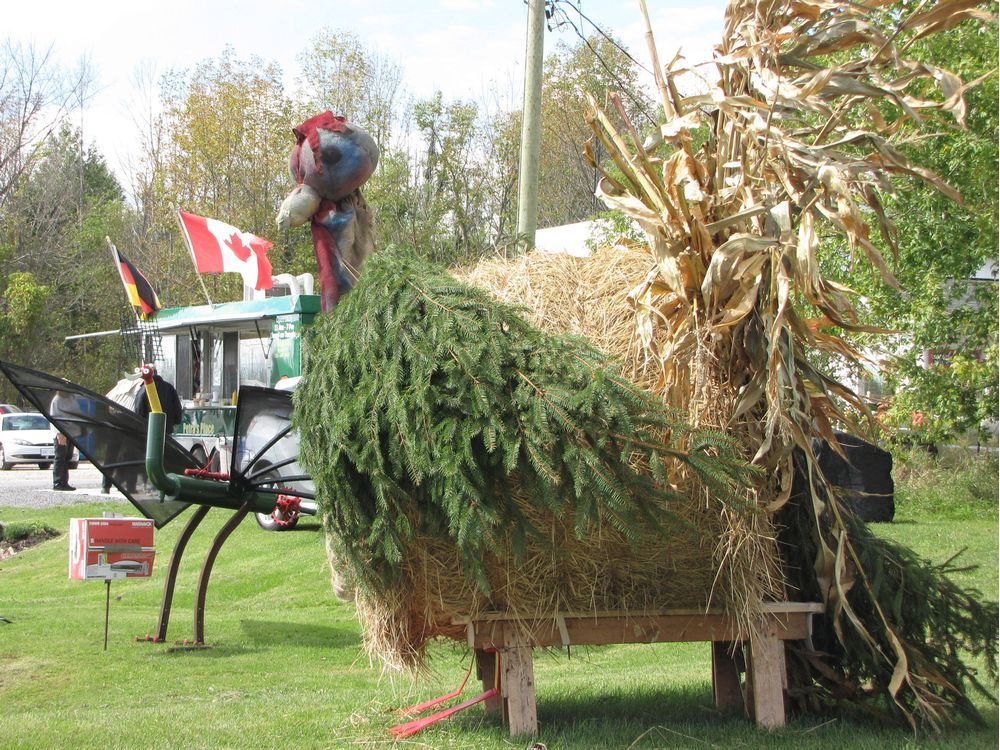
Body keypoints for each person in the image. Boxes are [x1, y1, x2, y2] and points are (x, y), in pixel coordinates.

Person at [136, 367, 184, 435]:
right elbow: (177, 409)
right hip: (167, 430)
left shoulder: (143, 389)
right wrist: (175, 421)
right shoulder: (170, 388)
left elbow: (139, 410)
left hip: (148, 430)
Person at [50, 390, 75, 492]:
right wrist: (59, 434)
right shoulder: (57, 400)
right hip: (61, 434)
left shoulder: (71, 399)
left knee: (67, 457)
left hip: (71, 432)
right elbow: (54, 417)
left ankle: (65, 482)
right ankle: (57, 482)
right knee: (60, 458)